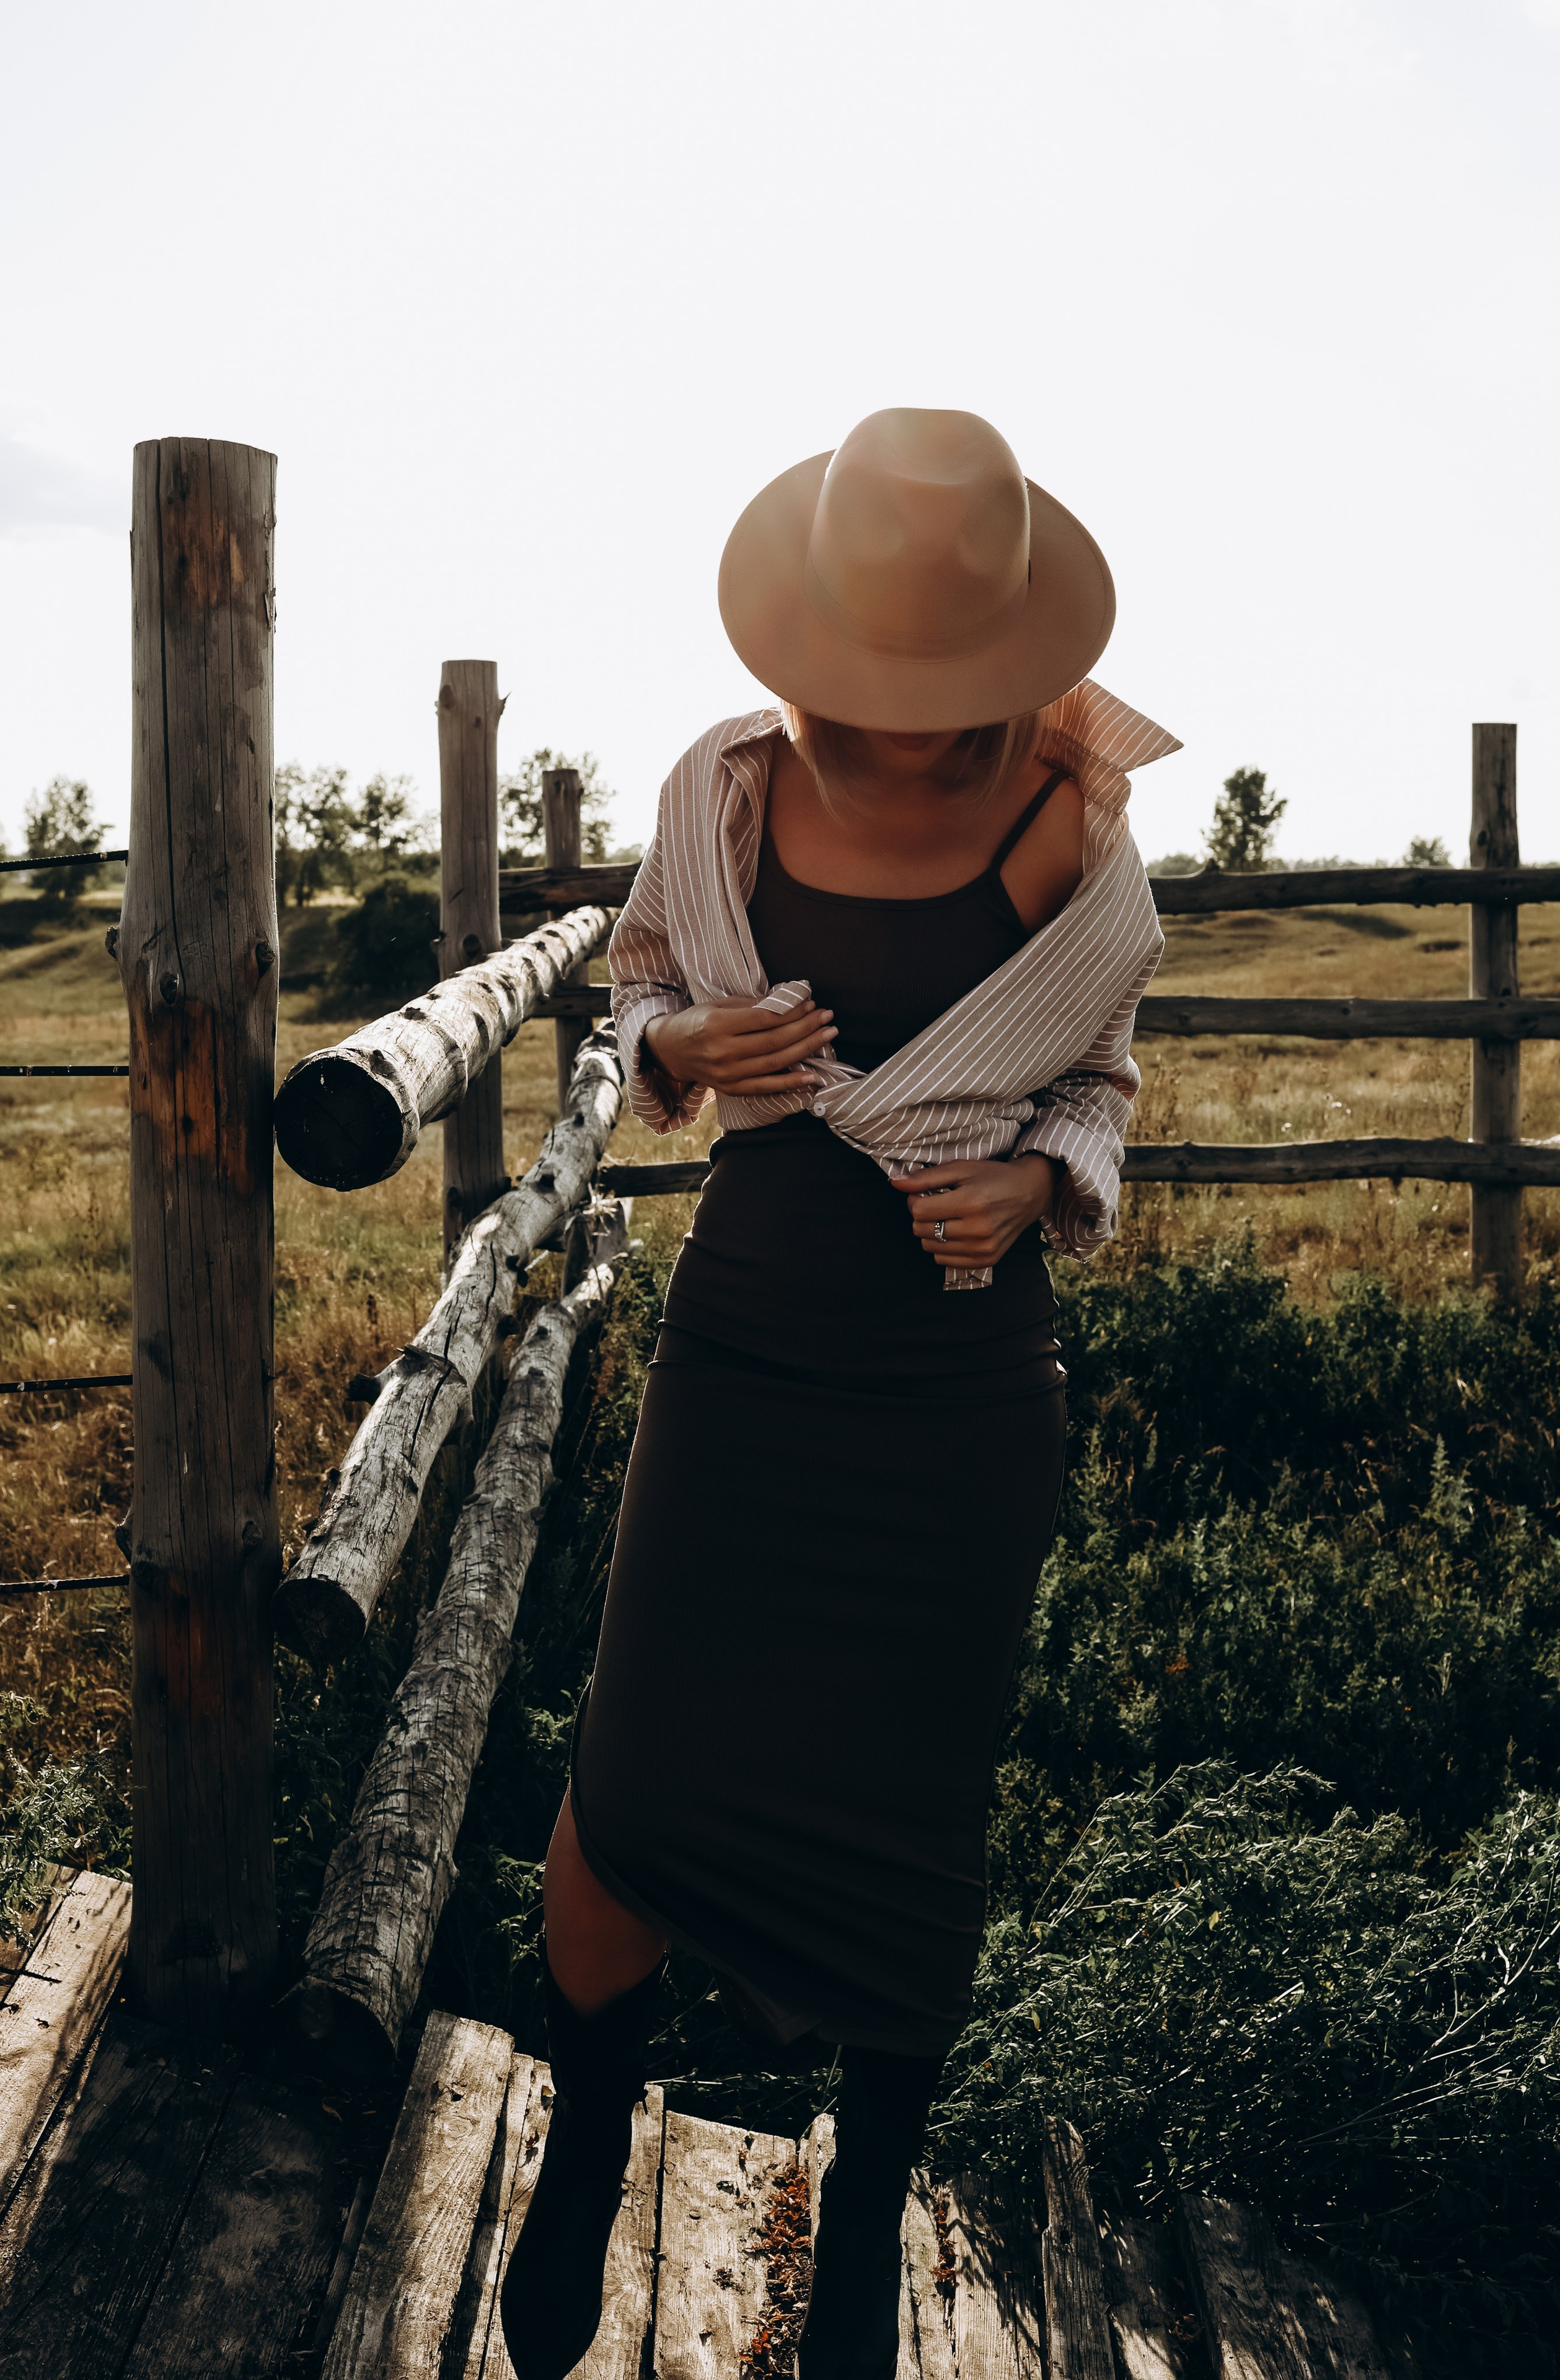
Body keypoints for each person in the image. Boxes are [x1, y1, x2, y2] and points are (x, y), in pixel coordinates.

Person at [500, 407, 1180, 2380]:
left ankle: (866, 2220)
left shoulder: (1071, 818)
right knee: (630, 1783)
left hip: (953, 1392)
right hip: (753, 1348)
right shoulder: (717, 795)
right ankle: (584, 2140)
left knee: (908, 1812)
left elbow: (1101, 1089)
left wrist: (1042, 1176)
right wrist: (686, 1038)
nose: (896, 722)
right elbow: (637, 999)